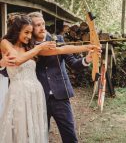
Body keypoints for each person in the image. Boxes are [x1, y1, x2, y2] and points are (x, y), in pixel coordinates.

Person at [0, 15, 98, 143]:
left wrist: (88, 47)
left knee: (41, 134)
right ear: (17, 30)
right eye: (27, 32)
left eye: (43, 24)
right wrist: (38, 48)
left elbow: (61, 50)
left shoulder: (32, 46)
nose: (29, 36)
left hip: (39, 94)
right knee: (22, 132)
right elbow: (16, 61)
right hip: (20, 94)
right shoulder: (9, 43)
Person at [27, 12, 100, 143]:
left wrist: (88, 59)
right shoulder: (27, 44)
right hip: (38, 96)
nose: (42, 27)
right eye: (37, 25)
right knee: (40, 136)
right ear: (30, 28)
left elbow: (74, 63)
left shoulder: (58, 39)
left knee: (69, 135)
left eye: (43, 23)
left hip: (60, 95)